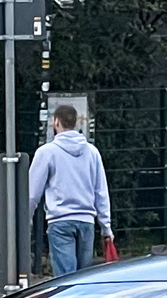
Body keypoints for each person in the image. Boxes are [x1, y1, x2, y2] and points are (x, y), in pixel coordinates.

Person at [28, 103, 112, 277]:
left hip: (60, 221)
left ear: (56, 122)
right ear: (76, 123)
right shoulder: (92, 152)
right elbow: (101, 192)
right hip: (87, 221)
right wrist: (106, 227)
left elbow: (32, 193)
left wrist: (26, 218)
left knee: (65, 279)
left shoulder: (47, 152)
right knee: (83, 279)